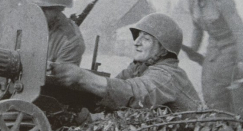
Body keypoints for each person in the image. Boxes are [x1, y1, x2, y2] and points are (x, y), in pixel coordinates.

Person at [48, 13, 201, 112]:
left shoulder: (167, 75)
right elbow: (114, 88)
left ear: (163, 49)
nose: (137, 42)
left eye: (146, 39)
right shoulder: (140, 67)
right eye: (138, 36)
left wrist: (82, 76)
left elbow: (133, 93)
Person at [183, 0, 243, 113]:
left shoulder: (222, 2)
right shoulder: (192, 3)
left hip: (230, 46)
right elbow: (197, 28)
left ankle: (229, 119)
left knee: (221, 87)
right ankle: (217, 119)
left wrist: (242, 61)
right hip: (213, 46)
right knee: (207, 85)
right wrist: (193, 49)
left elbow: (240, 31)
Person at [27, 0, 86, 66]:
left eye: (45, 9)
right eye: (35, 7)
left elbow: (60, 75)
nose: (38, 13)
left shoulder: (71, 41)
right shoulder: (22, 25)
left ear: (60, 8)